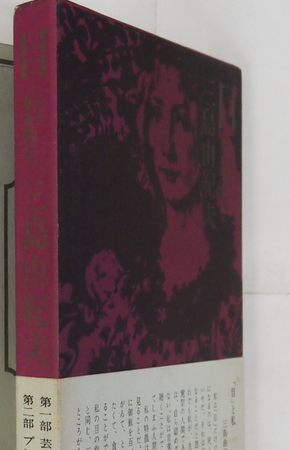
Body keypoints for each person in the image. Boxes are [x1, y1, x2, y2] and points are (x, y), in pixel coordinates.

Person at [59, 48, 242, 377]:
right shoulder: (124, 278)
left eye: (182, 120)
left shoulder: (225, 294)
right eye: (157, 114)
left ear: (209, 133)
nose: (166, 145)